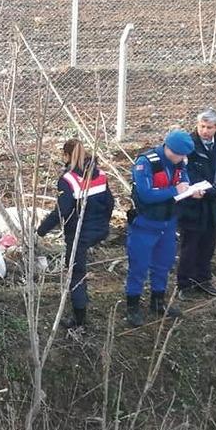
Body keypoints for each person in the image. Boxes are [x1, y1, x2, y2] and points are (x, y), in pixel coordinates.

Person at [125, 129, 202, 327]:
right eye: (179, 154)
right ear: (169, 148)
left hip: (168, 222)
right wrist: (175, 190)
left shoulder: (180, 162)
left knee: (163, 264)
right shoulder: (146, 163)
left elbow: (183, 180)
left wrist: (190, 190)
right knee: (139, 266)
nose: (182, 159)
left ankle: (158, 301)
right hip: (145, 223)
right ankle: (132, 306)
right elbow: (146, 195)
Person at [36, 139, 115, 332]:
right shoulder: (100, 174)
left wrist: (41, 230)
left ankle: (79, 319)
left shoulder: (68, 180)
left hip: (79, 234)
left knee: (76, 273)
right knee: (81, 264)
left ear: (66, 156)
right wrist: (103, 224)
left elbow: (62, 211)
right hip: (100, 230)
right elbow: (110, 202)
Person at [176, 108, 216, 298]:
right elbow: (185, 170)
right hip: (193, 201)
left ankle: (203, 281)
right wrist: (204, 190)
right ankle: (184, 285)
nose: (205, 131)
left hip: (214, 202)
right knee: (189, 245)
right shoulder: (188, 143)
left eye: (209, 127)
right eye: (202, 126)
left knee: (208, 244)